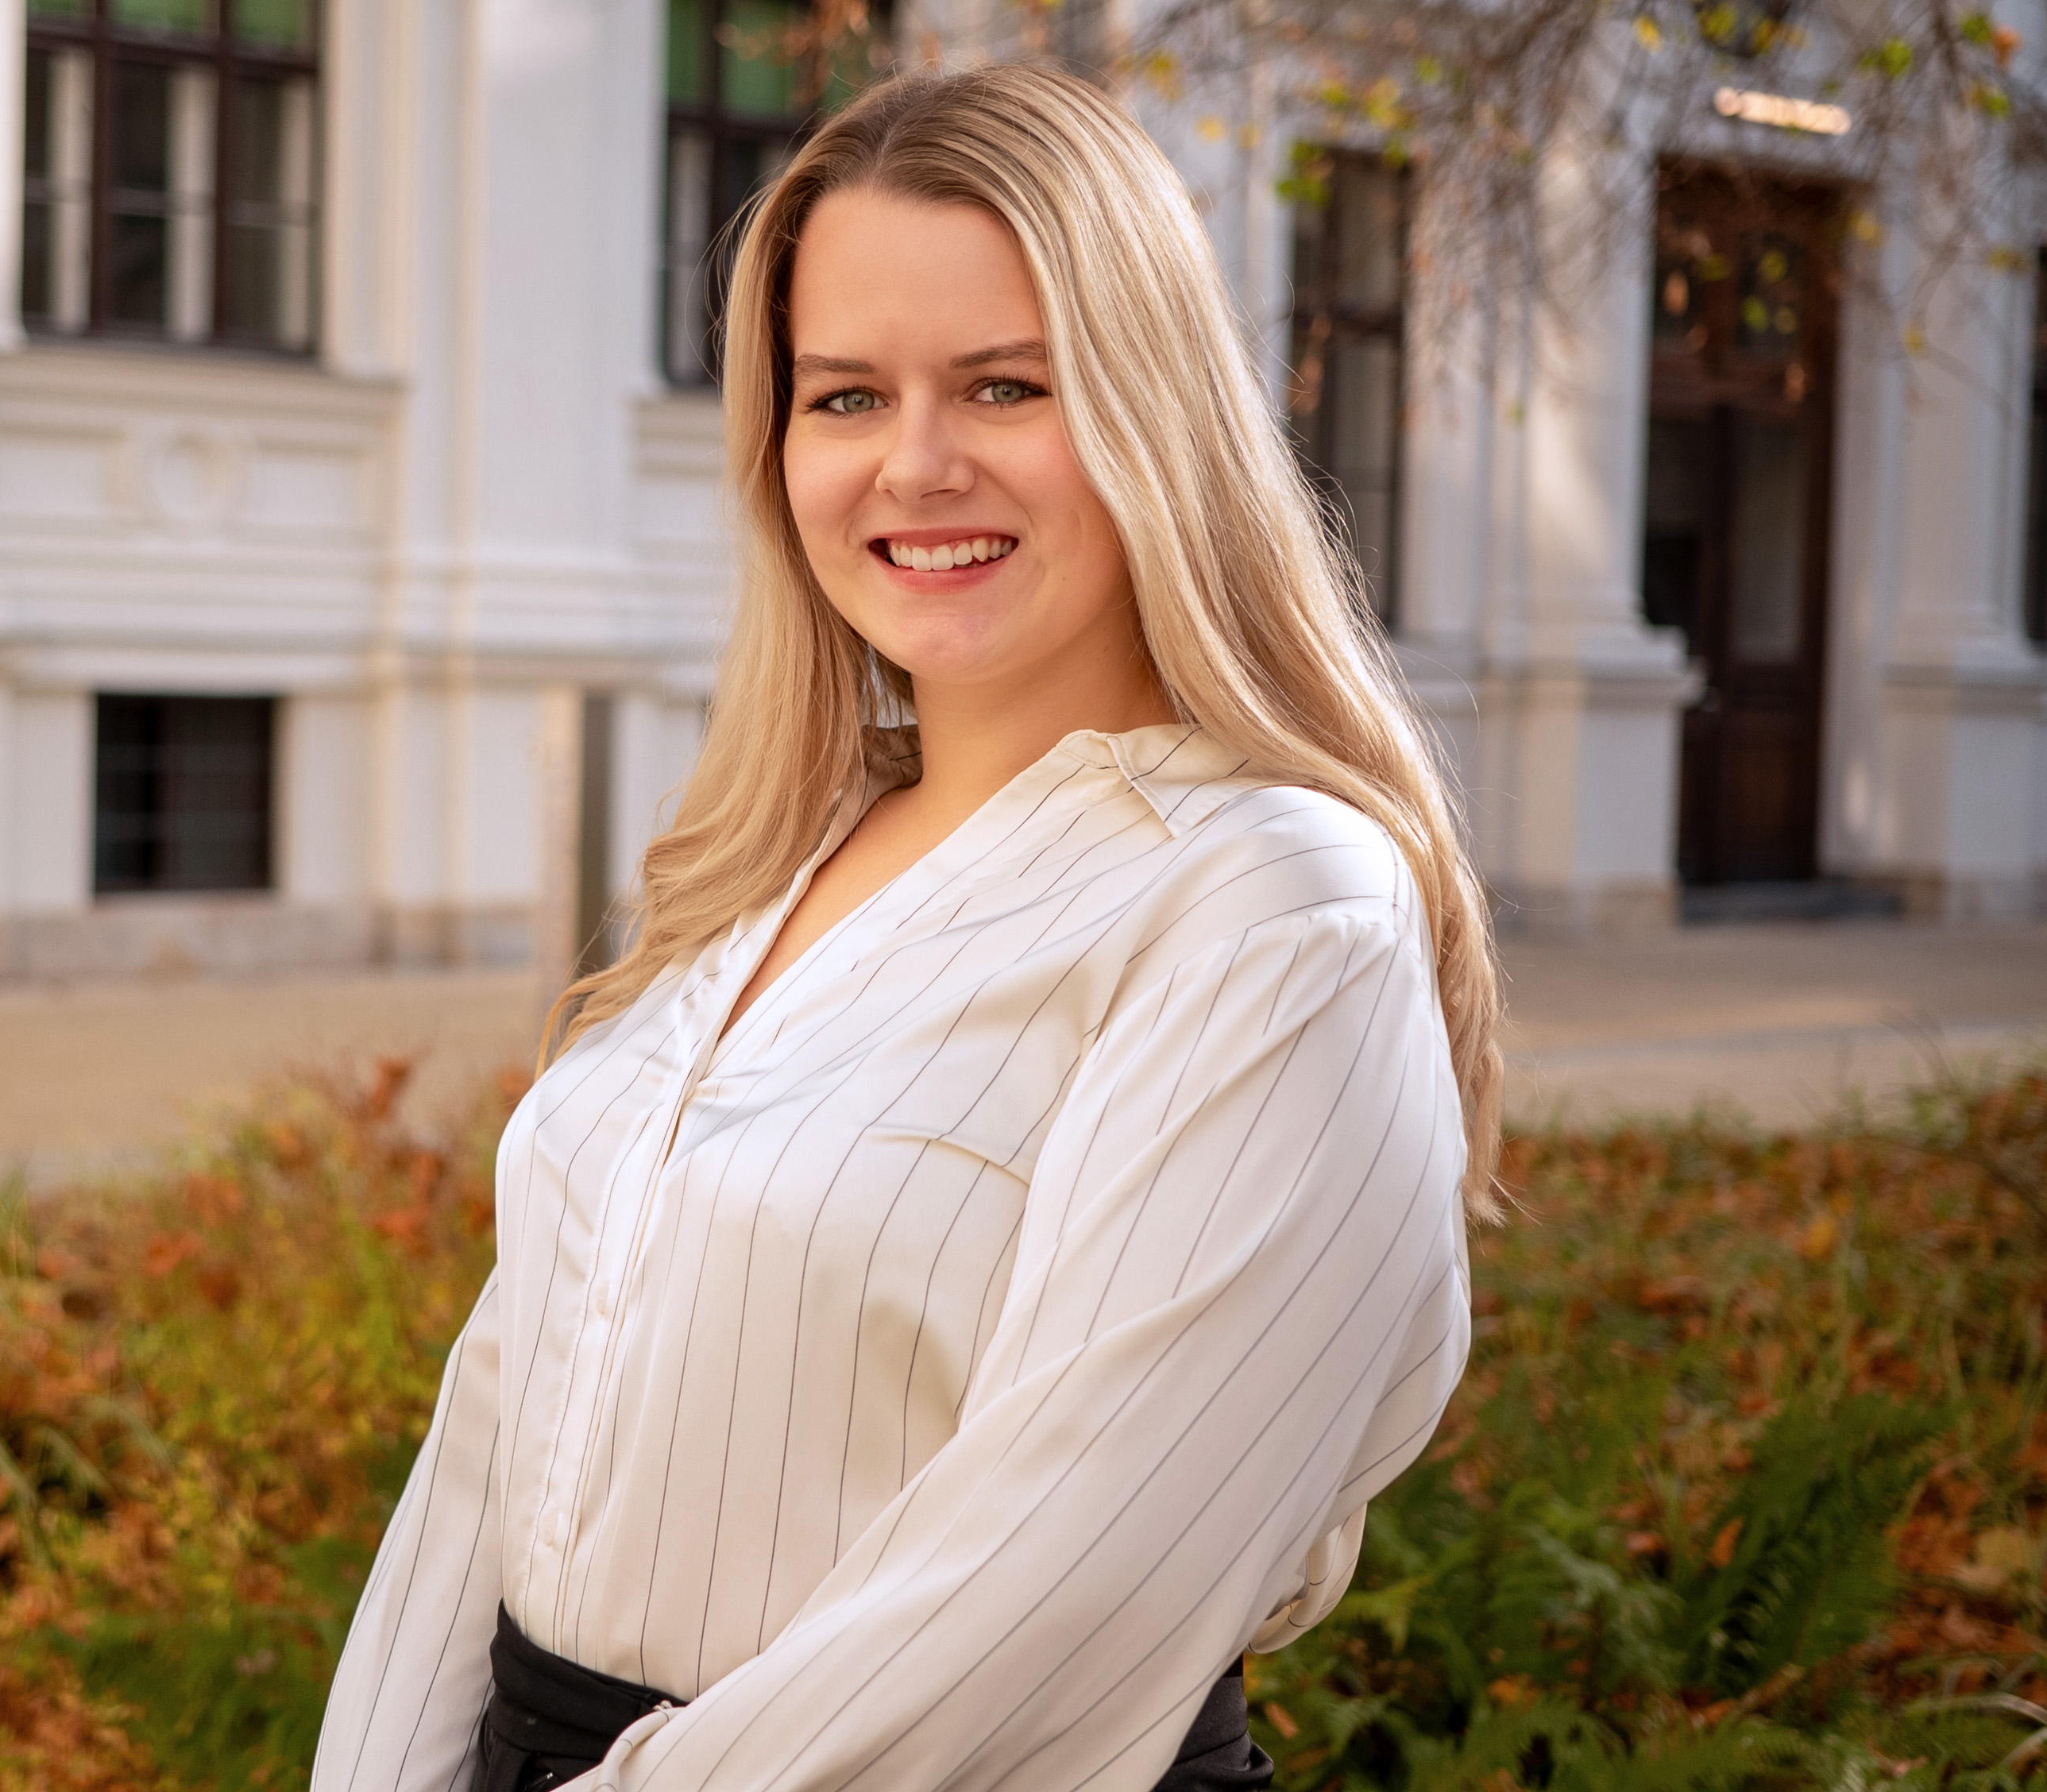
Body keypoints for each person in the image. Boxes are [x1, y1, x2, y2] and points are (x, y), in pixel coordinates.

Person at [313, 62, 1498, 1792]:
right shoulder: (760, 870)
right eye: (845, 395)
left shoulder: (1271, 909)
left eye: (1006, 385)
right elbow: (487, 1456)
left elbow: (1055, 1596)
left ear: (1153, 413)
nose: (916, 465)